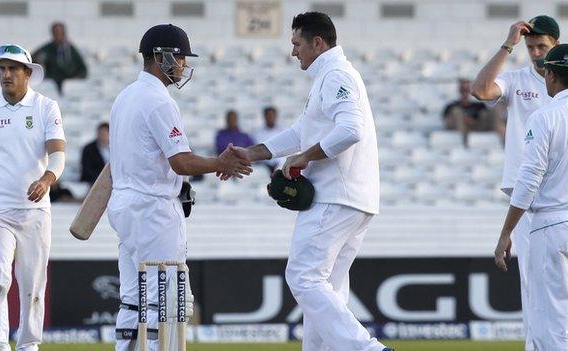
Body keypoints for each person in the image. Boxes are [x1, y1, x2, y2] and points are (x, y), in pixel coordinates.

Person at [224, 12, 392, 351]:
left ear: (318, 42)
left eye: (297, 44)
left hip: (336, 196)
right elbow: (300, 132)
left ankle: (368, 349)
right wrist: (252, 154)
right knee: (327, 288)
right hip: (353, 199)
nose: (293, 52)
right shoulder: (328, 78)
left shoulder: (336, 75)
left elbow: (350, 130)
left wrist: (305, 157)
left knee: (302, 276)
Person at [108, 24, 251, 351]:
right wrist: (221, 163)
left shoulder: (124, 96)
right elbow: (181, 163)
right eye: (181, 57)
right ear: (162, 56)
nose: (184, 65)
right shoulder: (159, 101)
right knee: (169, 303)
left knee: (133, 300)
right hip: (153, 212)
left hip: (125, 207)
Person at [0, 44, 66, 351]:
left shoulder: (46, 107)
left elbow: (58, 153)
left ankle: (28, 345)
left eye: (13, 68)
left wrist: (47, 178)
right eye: (2, 69)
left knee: (33, 286)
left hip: (35, 211)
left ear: (28, 74)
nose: (6, 74)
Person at [471, 15, 561, 351]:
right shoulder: (517, 79)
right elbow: (480, 90)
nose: (536, 53)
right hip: (527, 197)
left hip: (564, 194)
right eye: (531, 46)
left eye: (542, 46)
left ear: (556, 45)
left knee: (566, 286)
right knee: (533, 282)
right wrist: (508, 44)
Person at [494, 43, 568, 351]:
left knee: (552, 324)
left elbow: (528, 180)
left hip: (553, 226)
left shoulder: (546, 117)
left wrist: (506, 232)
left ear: (553, 75)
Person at [32, 22, 87, 92]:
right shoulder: (47, 49)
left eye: (60, 33)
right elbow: (33, 58)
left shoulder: (71, 50)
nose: (58, 35)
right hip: (52, 85)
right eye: (56, 33)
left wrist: (76, 78)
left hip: (70, 85)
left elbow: (83, 69)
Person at [442, 78, 491, 146]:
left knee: (485, 113)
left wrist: (473, 121)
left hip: (477, 130)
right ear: (459, 90)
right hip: (460, 131)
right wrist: (464, 119)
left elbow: (485, 118)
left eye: (467, 89)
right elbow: (446, 121)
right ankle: (462, 141)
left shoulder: (479, 106)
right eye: (463, 90)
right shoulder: (451, 106)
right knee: (456, 112)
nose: (465, 92)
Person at [253, 106, 285, 172]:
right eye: (268, 115)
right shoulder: (257, 134)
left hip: (280, 163)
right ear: (264, 117)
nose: (270, 118)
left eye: (272, 115)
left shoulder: (283, 131)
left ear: (275, 116)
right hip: (264, 165)